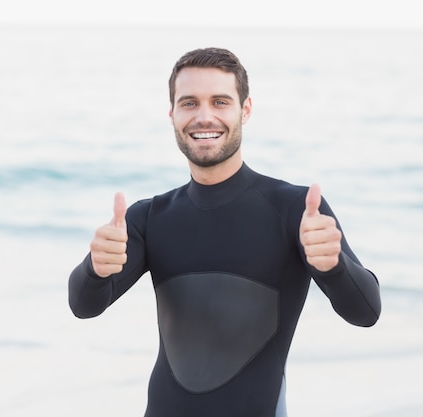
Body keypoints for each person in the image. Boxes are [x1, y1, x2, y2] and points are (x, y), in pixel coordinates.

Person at [69, 47, 381, 417]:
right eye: (189, 103)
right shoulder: (149, 218)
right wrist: (96, 268)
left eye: (220, 102)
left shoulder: (295, 209)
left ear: (245, 110)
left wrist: (334, 266)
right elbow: (84, 306)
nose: (204, 117)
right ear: (172, 114)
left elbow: (366, 311)